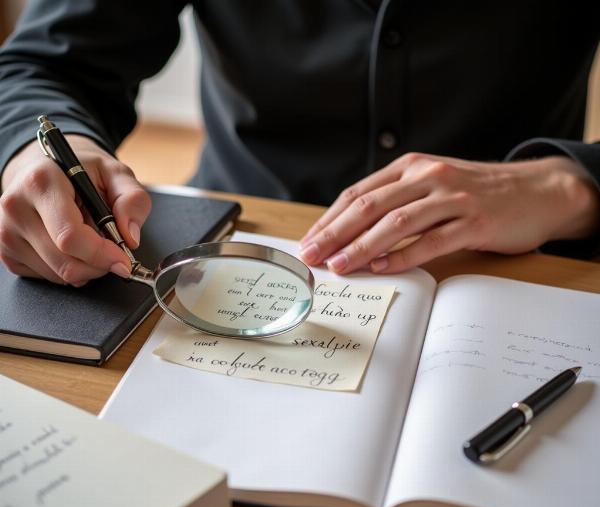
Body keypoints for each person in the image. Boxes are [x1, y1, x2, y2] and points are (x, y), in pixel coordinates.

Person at [0, 1, 599, 287]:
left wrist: (570, 185)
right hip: (228, 252)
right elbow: (45, 65)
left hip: (527, 269)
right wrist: (39, 153)